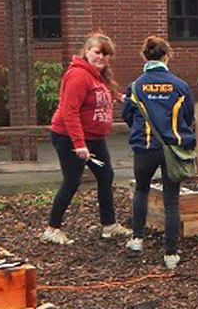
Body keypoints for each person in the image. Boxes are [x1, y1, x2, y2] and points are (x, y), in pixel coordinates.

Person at [41, 33, 131, 244]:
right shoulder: (79, 76)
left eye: (106, 54)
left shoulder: (99, 76)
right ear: (87, 51)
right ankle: (52, 229)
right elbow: (69, 112)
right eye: (97, 52)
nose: (101, 57)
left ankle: (109, 225)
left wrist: (123, 98)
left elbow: (107, 92)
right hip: (70, 138)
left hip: (95, 138)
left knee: (106, 176)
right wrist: (79, 144)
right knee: (72, 181)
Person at [121, 36, 196, 269]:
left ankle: (137, 239)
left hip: (144, 148)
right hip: (172, 149)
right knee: (171, 201)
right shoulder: (180, 86)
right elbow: (188, 116)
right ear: (166, 57)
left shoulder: (135, 87)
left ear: (145, 57)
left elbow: (126, 115)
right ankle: (171, 253)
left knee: (141, 191)